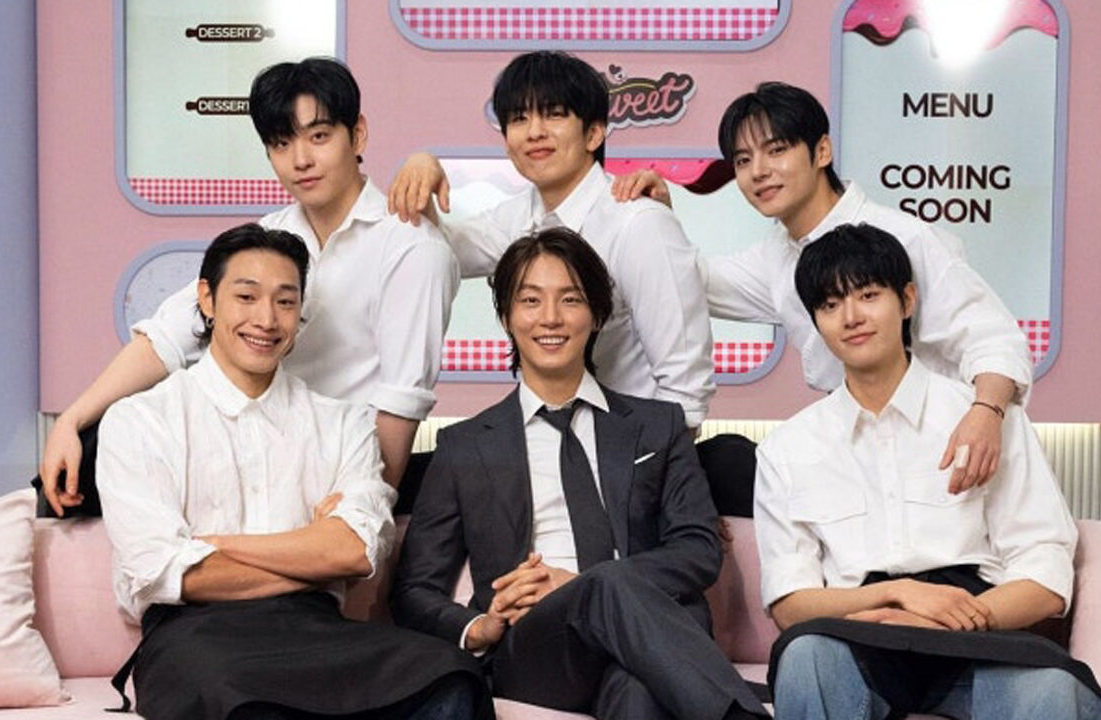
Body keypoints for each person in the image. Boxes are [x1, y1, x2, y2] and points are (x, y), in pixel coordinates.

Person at [95, 224, 490, 720]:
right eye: (246, 297)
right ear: (207, 299)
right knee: (236, 699)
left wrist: (215, 545)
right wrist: (311, 553)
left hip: (317, 630)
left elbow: (355, 551)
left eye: (285, 302)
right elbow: (165, 573)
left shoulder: (343, 424)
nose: (266, 319)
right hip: (193, 636)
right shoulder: (140, 419)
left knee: (451, 676)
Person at [41, 57, 458, 514]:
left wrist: (365, 512)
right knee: (76, 468)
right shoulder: (272, 236)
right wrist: (72, 420)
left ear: (357, 135)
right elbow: (167, 337)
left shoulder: (411, 246)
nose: (301, 160)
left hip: (333, 461)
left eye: (319, 137)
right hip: (245, 443)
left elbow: (400, 402)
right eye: (281, 143)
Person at [391, 228, 767, 720]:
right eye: (531, 300)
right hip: (536, 646)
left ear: (597, 315)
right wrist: (478, 626)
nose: (550, 317)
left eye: (570, 299)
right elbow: (413, 591)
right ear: (506, 317)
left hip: (648, 637)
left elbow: (698, 549)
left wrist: (582, 582)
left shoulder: (657, 426)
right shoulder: (465, 446)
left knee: (638, 692)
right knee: (606, 586)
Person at [754, 223, 1101, 720]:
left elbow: (1045, 573)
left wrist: (951, 620)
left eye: (868, 295)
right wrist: (898, 595)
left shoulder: (984, 419)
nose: (851, 317)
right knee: (805, 658)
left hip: (978, 634)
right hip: (859, 635)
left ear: (907, 300)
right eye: (830, 305)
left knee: (1054, 690)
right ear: (816, 322)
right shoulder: (787, 447)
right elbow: (789, 604)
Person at [613, 82, 1031, 493]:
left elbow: (993, 339)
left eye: (777, 150)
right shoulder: (779, 256)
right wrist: (658, 222)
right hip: (860, 447)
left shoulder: (906, 238)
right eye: (743, 160)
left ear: (822, 151)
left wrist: (985, 415)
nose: (758, 171)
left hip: (950, 446)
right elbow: (686, 280)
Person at [387, 50, 714, 431]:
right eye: (519, 118)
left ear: (594, 133)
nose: (534, 132)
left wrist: (656, 461)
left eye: (554, 114)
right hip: (549, 440)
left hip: (633, 444)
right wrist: (422, 165)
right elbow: (435, 251)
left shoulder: (638, 223)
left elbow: (686, 386)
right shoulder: (518, 217)